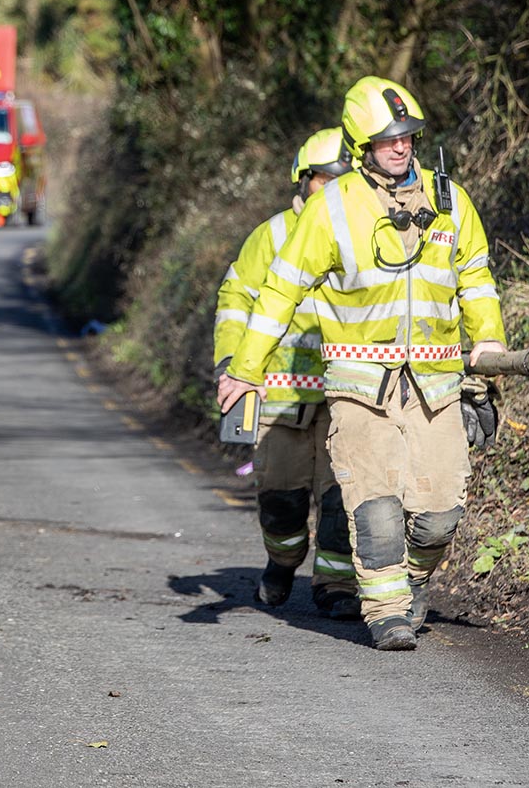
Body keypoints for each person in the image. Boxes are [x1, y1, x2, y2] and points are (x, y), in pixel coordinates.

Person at [217, 76, 507, 651]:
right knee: (373, 511)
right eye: (385, 138)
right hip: (358, 388)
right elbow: (276, 294)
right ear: (360, 146)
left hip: (435, 385)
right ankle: (386, 614)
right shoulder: (331, 209)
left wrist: (488, 358)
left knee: (439, 516)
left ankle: (413, 582)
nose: (400, 146)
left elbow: (475, 279)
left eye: (407, 135)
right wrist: (244, 369)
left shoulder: (450, 200)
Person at [214, 128, 360, 619]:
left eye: (346, 179)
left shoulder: (368, 234)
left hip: (348, 394)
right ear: (304, 179)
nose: (336, 189)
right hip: (282, 396)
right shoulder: (273, 235)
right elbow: (236, 299)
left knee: (341, 500)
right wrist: (232, 364)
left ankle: (336, 587)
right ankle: (281, 563)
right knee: (282, 500)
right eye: (327, 179)